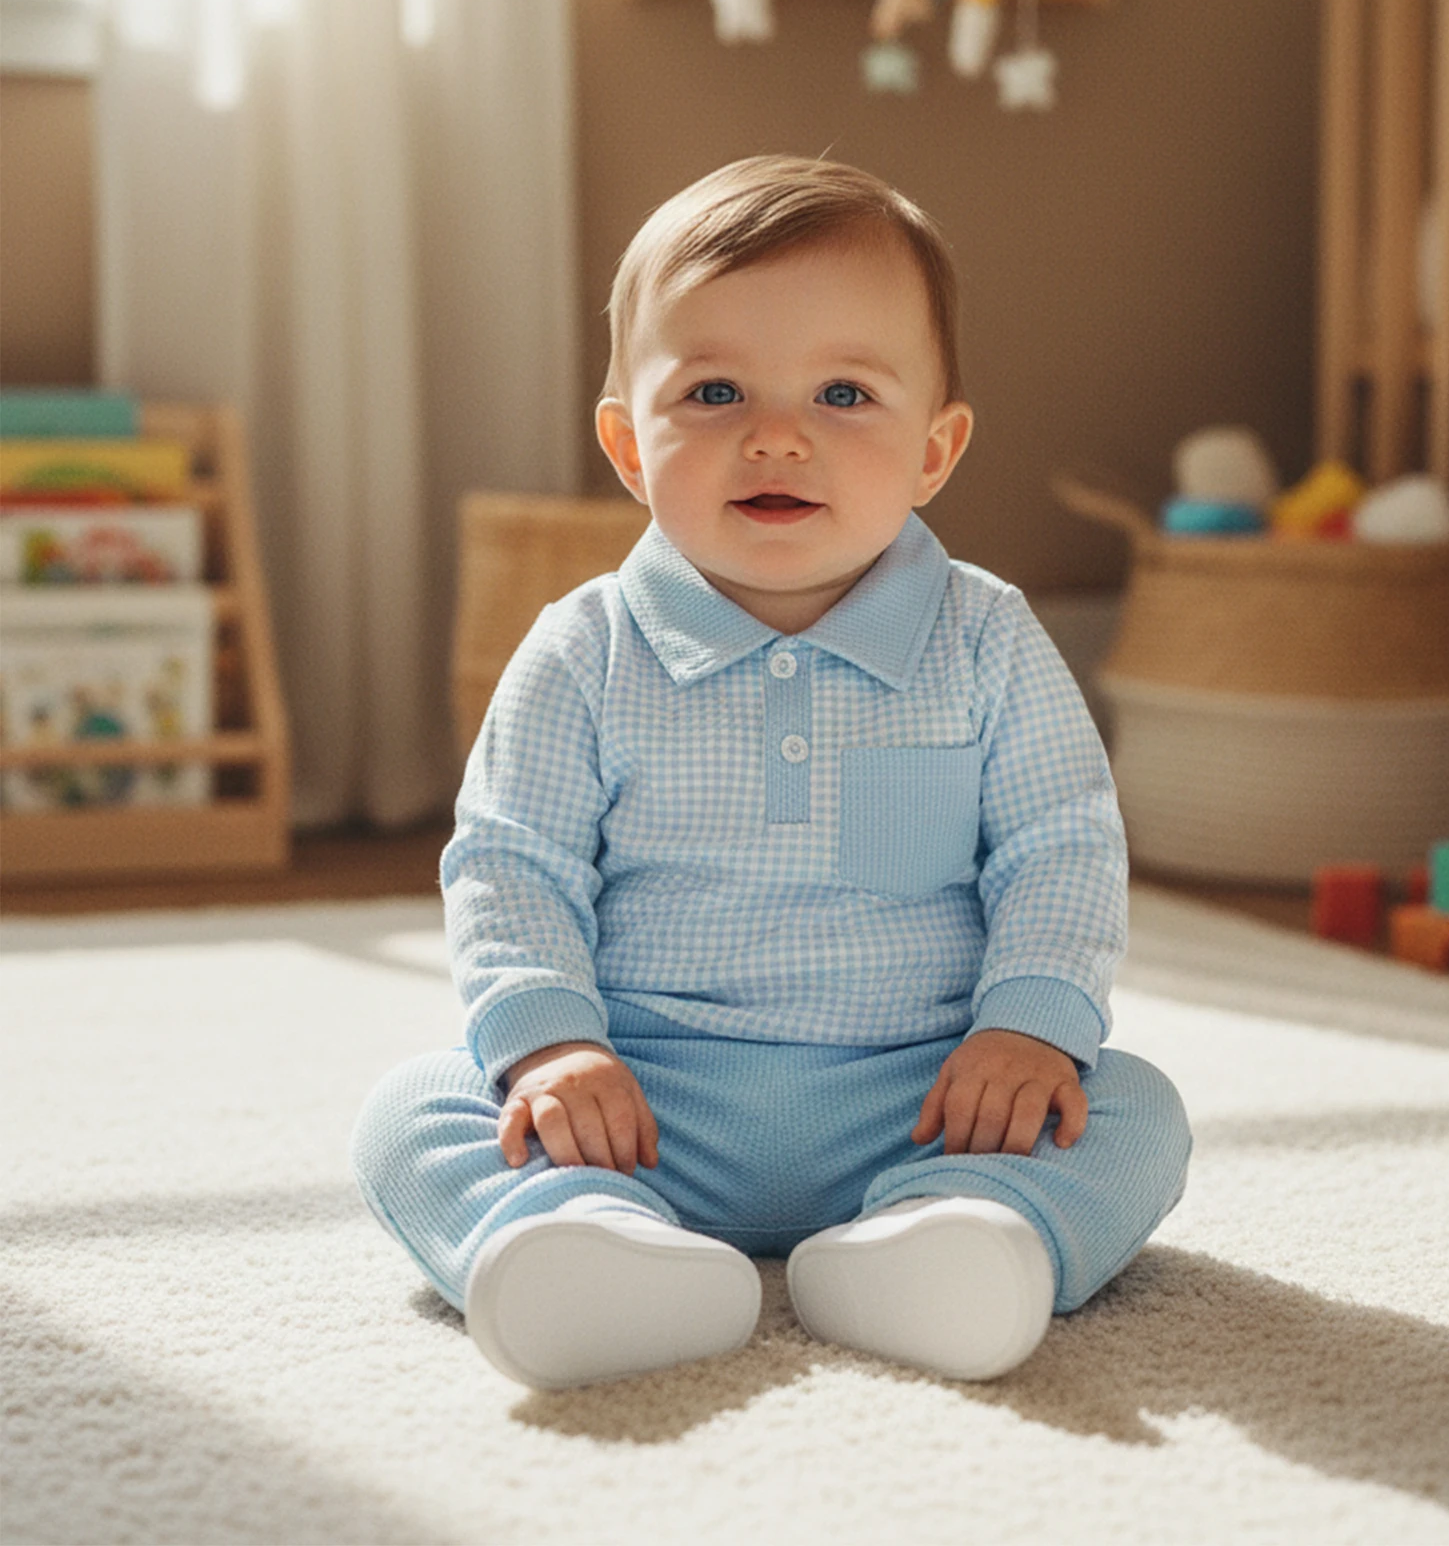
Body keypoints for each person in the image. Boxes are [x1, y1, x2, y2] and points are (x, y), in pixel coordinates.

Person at [352, 155, 1190, 1392]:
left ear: (935, 450)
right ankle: (590, 1249)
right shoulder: (584, 648)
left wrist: (1027, 1029)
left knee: (1134, 1111)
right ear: (630, 446)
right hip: (641, 1110)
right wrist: (550, 1051)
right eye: (715, 389)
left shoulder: (987, 638)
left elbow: (1061, 846)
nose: (778, 433)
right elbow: (508, 860)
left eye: (845, 391)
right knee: (411, 1115)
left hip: (923, 1101)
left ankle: (948, 1239)